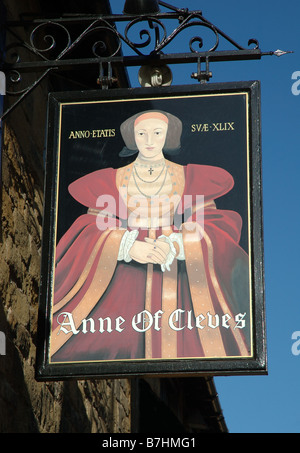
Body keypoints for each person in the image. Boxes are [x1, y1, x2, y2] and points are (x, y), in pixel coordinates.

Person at [50, 110, 251, 362]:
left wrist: (179, 245)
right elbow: (91, 225)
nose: (149, 140)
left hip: (179, 279)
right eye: (142, 133)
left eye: (157, 133)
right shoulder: (109, 180)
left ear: (168, 136)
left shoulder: (191, 177)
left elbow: (213, 224)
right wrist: (126, 246)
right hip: (121, 280)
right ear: (132, 138)